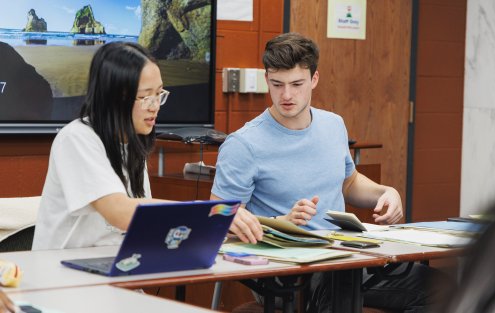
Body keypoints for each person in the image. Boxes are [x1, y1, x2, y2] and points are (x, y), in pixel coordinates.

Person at [211, 32, 445, 312]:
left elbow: (349, 183)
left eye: (297, 84)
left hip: (345, 255)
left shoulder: (334, 125)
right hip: (287, 268)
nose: (286, 95)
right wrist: (279, 222)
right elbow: (219, 215)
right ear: (267, 81)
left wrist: (386, 192)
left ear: (314, 79)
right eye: (277, 85)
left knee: (446, 291)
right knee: (338, 289)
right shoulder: (243, 144)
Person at [32, 42, 171, 250]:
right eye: (144, 97)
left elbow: (141, 220)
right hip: (64, 274)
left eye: (159, 94)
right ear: (115, 98)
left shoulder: (133, 142)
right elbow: (120, 212)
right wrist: (197, 213)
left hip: (116, 267)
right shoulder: (77, 138)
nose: (155, 106)